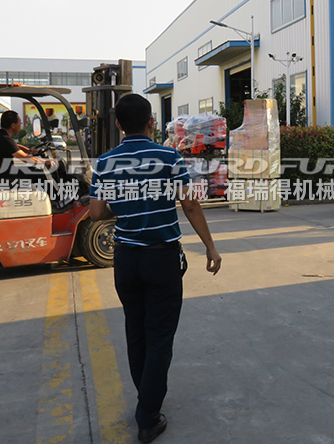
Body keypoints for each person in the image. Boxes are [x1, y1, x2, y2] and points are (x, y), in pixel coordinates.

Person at [89, 93, 221, 443]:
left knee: (136, 330)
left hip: (126, 260)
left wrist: (124, 206)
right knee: (160, 336)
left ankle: (146, 396)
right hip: (162, 259)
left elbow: (96, 212)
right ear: (151, 122)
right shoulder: (169, 156)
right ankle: (148, 416)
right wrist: (210, 246)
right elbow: (190, 206)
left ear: (119, 125)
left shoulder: (105, 162)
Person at [0, 110, 51, 185]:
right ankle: (51, 192)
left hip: (0, 172)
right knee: (39, 174)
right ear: (13, 125)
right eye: (19, 122)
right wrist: (46, 161)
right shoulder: (5, 139)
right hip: (4, 176)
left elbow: (14, 146)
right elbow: (26, 159)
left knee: (33, 171)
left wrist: (28, 150)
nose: (21, 124)